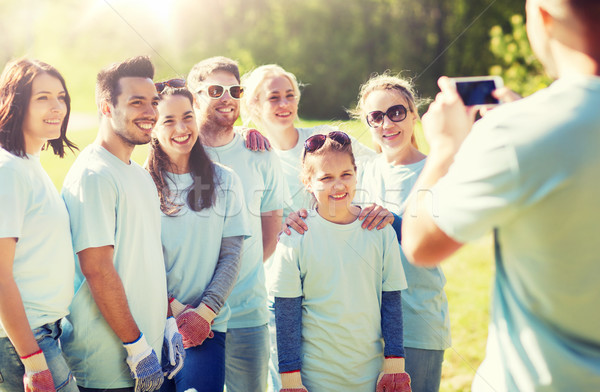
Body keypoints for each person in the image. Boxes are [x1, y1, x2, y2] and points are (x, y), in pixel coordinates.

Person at [402, 0, 600, 390]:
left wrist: (444, 149)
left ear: (544, 17)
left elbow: (421, 244)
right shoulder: (524, 129)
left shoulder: (518, 132)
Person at [61, 56, 182, 391]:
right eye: (136, 102)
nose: (150, 112)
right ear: (106, 107)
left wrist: (167, 321)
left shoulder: (138, 175)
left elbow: (149, 258)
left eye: (153, 102)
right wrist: (137, 348)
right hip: (109, 366)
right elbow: (97, 269)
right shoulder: (94, 175)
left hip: (148, 351)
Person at [268, 130, 411, 392]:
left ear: (357, 173)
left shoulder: (379, 231)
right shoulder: (295, 237)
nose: (339, 185)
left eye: (346, 174)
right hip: (314, 379)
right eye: (326, 178)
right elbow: (286, 315)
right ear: (308, 181)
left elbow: (391, 303)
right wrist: (291, 381)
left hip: (371, 376)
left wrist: (394, 367)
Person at [187, 56, 287, 392]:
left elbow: (271, 226)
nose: (228, 97)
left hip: (248, 313)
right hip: (192, 313)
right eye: (216, 90)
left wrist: (233, 278)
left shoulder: (259, 152)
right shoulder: (177, 152)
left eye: (235, 90)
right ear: (195, 95)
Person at [347, 73, 451, 392]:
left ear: (413, 114)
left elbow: (439, 238)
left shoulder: (436, 169)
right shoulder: (360, 171)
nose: (387, 124)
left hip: (417, 325)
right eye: (376, 116)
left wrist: (393, 220)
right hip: (364, 329)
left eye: (396, 112)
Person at [146, 82, 250, 392]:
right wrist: (176, 311)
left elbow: (231, 255)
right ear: (152, 128)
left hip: (207, 330)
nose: (181, 128)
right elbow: (136, 262)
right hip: (150, 329)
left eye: (187, 116)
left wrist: (202, 314)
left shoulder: (225, 180)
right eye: (168, 120)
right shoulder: (139, 184)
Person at [0, 58, 78, 392]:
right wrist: (34, 362)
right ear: (16, 104)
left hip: (46, 332)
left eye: (60, 97)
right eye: (43, 97)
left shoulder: (31, 165)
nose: (57, 107)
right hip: (25, 342)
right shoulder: (9, 171)